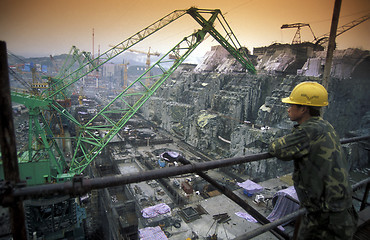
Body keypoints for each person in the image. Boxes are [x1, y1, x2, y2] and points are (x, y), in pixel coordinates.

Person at [268, 81, 358, 239]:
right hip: (338, 207)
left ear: (303, 109)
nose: (288, 109)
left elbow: (276, 149)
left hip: (326, 214)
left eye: (292, 105)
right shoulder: (325, 125)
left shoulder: (308, 131)